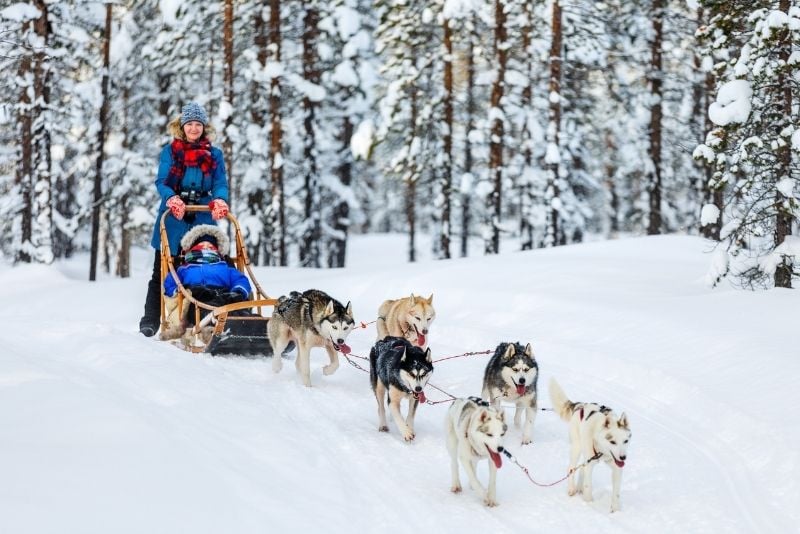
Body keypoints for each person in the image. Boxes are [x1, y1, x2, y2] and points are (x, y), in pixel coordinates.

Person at [139, 102, 230, 337]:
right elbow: (162, 181)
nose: (193, 128)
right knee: (163, 269)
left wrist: (220, 200)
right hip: (173, 218)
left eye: (198, 124)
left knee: (209, 264)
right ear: (182, 126)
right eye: (189, 124)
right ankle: (151, 320)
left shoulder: (214, 154)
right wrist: (172, 198)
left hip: (202, 215)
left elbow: (220, 183)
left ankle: (211, 315)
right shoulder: (171, 151)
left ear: (204, 127)